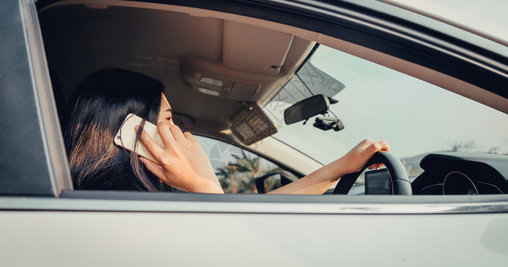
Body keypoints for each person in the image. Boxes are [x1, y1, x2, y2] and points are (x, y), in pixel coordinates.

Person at [64, 68, 390, 194]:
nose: (176, 130)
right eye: (166, 119)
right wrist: (201, 180)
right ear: (133, 132)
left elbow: (250, 212)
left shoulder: (150, 195)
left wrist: (338, 168)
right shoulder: (113, 207)